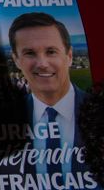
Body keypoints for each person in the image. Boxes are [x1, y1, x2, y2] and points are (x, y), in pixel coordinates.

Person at [8, 12, 91, 175]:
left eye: (51, 51)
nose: (42, 64)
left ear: (69, 56)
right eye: (30, 53)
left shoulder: (97, 111)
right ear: (16, 60)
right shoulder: (4, 121)